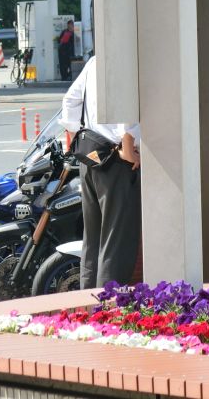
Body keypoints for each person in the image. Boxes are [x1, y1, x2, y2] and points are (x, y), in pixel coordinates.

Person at [61, 56, 141, 288]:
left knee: (93, 238)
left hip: (90, 156)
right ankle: (107, 303)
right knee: (116, 241)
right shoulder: (127, 59)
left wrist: (78, 133)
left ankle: (88, 299)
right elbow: (126, 111)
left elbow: (70, 101)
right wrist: (128, 143)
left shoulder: (94, 62)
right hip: (116, 159)